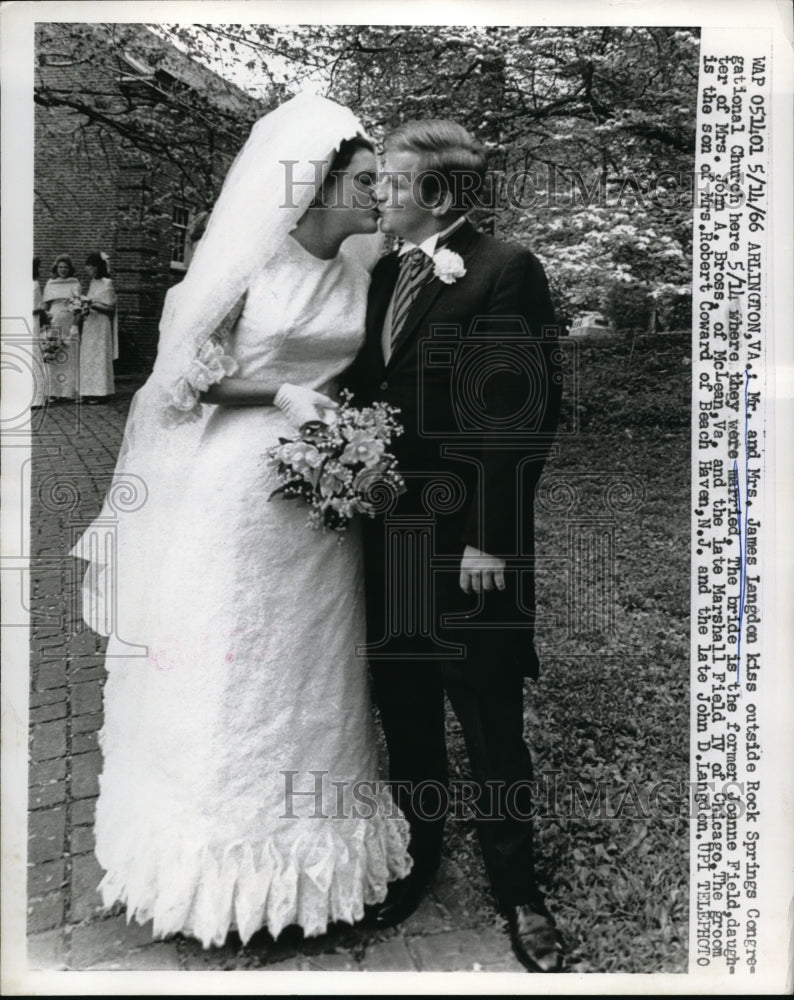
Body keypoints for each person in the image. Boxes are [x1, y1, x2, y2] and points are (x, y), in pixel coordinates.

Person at [70, 93, 411, 949]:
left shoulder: (361, 270)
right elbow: (185, 375)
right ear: (320, 184)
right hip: (237, 485)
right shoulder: (252, 264)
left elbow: (367, 369)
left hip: (323, 500)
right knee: (235, 654)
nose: (379, 195)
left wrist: (350, 439)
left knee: (313, 665)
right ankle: (212, 867)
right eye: (366, 180)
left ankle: (314, 861)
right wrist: (280, 392)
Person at [343, 120, 564, 972]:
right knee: (406, 706)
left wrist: (489, 543)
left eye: (391, 184)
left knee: (488, 712)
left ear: (434, 194)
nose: (378, 196)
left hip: (467, 543)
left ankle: (520, 892)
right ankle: (418, 863)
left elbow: (521, 421)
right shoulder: (385, 272)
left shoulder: (506, 270)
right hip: (390, 535)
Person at [42, 254, 82, 402]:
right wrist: (45, 319)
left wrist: (75, 325)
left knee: (69, 355)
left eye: (66, 267)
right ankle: (53, 391)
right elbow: (45, 305)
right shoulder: (51, 283)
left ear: (70, 269)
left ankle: (68, 391)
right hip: (54, 320)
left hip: (69, 320)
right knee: (53, 353)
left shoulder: (75, 283)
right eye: (60, 267)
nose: (63, 270)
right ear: (56, 268)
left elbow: (79, 307)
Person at [80, 251, 118, 404]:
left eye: (89, 266)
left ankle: (102, 392)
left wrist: (92, 304)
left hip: (101, 325)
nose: (87, 269)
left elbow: (110, 309)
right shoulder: (93, 283)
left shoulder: (107, 283)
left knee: (99, 356)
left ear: (97, 267)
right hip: (91, 323)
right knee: (88, 356)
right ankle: (88, 391)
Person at [32, 257, 50, 409]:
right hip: (24, 320)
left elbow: (37, 307)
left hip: (32, 322)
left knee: (33, 355)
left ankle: (36, 397)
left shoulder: (35, 285)